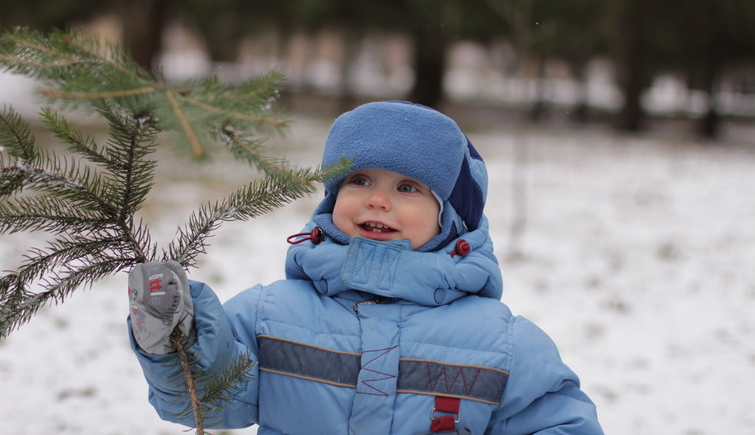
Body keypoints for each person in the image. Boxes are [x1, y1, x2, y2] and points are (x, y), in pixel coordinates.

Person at [127, 100, 604, 435]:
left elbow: (557, 423)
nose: (377, 199)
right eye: (359, 180)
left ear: (452, 220)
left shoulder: (501, 343)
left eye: (408, 188)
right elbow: (207, 400)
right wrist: (174, 343)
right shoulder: (273, 314)